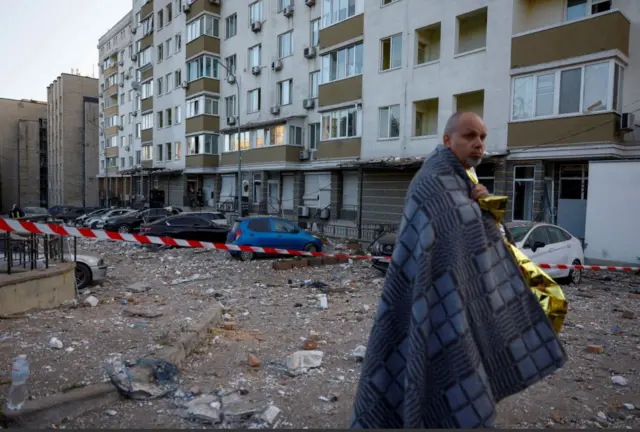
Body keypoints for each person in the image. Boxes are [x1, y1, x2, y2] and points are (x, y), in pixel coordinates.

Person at [350, 112, 567, 429]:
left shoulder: (465, 184)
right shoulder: (430, 185)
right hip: (436, 305)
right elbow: (425, 252)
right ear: (447, 140)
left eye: (482, 137)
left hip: (463, 303)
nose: (479, 144)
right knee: (437, 377)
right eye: (470, 136)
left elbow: (490, 247)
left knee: (462, 384)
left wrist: (484, 209)